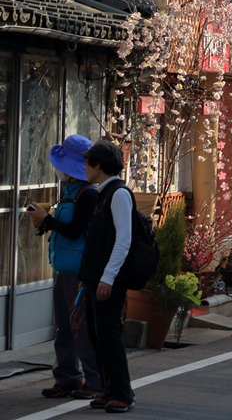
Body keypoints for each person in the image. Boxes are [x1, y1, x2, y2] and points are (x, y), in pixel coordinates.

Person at [26, 135, 102, 400]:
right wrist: (45, 222)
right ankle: (68, 378)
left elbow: (75, 230)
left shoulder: (88, 195)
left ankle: (94, 381)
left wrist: (48, 220)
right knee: (64, 328)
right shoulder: (71, 194)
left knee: (79, 328)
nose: (56, 169)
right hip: (63, 268)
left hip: (79, 272)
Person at [77, 140, 135, 413]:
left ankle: (122, 393)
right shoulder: (103, 192)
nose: (84, 168)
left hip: (108, 279)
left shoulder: (119, 193)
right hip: (95, 276)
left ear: (98, 165)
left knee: (108, 335)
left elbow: (123, 239)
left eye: (87, 163)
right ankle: (108, 390)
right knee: (96, 334)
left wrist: (108, 277)